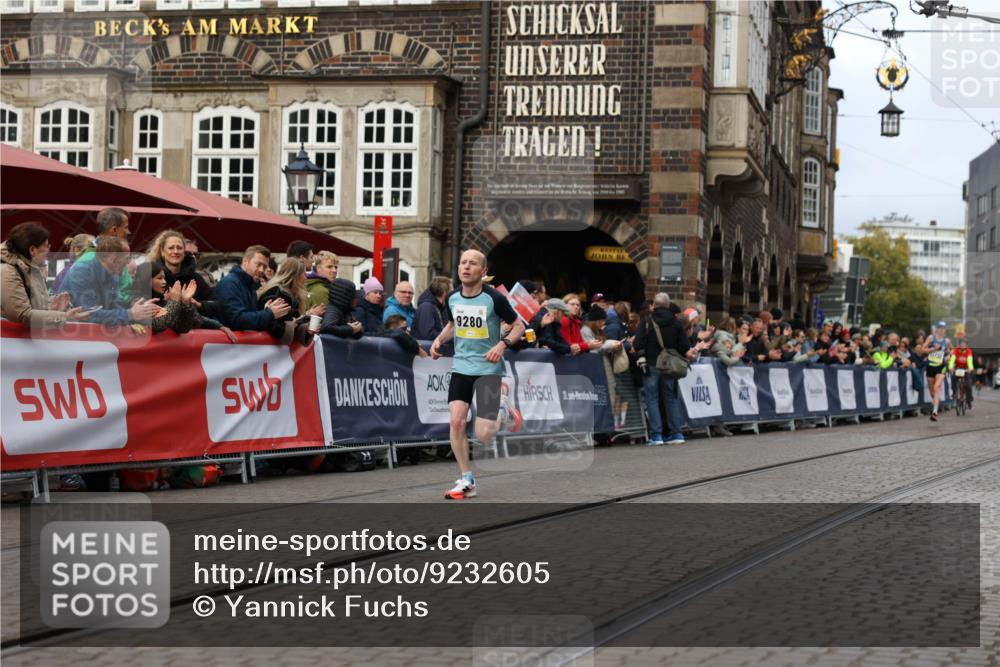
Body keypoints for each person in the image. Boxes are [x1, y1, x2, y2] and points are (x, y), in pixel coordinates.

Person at [430, 249, 523, 500]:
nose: (466, 267)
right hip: (461, 367)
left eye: (472, 264)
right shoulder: (452, 298)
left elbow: (519, 326)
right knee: (457, 422)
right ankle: (467, 479)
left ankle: (502, 407)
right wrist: (438, 341)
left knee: (483, 435)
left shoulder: (494, 299)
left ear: (483, 272)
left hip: (488, 370)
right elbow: (452, 326)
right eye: (463, 263)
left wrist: (502, 345)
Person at [1, 222, 89, 327]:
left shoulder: (32, 268)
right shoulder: (7, 271)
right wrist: (64, 316)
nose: (49, 250)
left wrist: (53, 306)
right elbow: (22, 314)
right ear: (32, 250)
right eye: (47, 246)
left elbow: (35, 307)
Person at [633, 292, 691, 446]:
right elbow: (685, 346)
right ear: (667, 305)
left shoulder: (646, 321)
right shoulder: (677, 322)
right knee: (670, 398)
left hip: (651, 364)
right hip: (669, 365)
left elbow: (637, 343)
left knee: (652, 399)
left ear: (654, 305)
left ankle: (657, 435)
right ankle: (676, 433)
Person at [62, 237, 160, 326]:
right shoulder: (82, 271)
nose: (128, 263)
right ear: (114, 259)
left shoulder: (113, 274)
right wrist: (130, 314)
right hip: (68, 337)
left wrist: (140, 309)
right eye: (127, 258)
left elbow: (115, 307)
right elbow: (88, 315)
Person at [215, 245, 291, 331]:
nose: (262, 270)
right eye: (258, 264)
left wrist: (265, 311)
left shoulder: (250, 285)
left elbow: (247, 316)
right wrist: (269, 313)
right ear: (245, 262)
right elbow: (237, 319)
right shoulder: (229, 283)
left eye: (265, 266)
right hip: (228, 343)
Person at [146, 230, 218, 316]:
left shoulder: (195, 278)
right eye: (171, 248)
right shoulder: (151, 277)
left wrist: (199, 305)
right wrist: (168, 302)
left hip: (195, 327)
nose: (176, 251)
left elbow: (218, 305)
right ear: (162, 252)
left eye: (179, 248)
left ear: (184, 253)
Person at [72, 207, 134, 306]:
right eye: (126, 227)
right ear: (114, 230)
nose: (129, 232)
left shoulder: (116, 253)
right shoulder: (89, 260)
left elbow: (126, 288)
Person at [257, 257, 324, 344]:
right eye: (303, 274)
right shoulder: (277, 293)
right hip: (268, 350)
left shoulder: (292, 295)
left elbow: (292, 322)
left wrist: (306, 330)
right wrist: (291, 326)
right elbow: (271, 325)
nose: (306, 278)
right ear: (295, 276)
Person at [919, 321, 951, 421]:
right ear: (936, 329)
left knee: (937, 387)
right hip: (930, 366)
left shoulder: (947, 341)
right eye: (940, 328)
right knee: (932, 391)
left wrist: (948, 357)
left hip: (941, 366)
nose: (942, 330)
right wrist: (933, 349)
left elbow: (950, 352)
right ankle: (937, 403)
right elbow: (922, 350)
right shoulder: (931, 338)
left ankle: (935, 411)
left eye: (943, 328)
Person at [413, 275, 452, 341]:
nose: (453, 294)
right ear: (444, 293)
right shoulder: (426, 308)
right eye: (451, 291)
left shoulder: (441, 307)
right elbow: (428, 335)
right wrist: (450, 338)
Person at [949, 336, 975, 409]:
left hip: (967, 369)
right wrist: (950, 367)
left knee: (968, 385)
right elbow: (952, 360)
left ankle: (969, 400)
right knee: (953, 378)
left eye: (964, 344)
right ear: (959, 344)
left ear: (966, 345)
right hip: (958, 368)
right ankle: (954, 393)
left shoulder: (968, 351)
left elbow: (970, 361)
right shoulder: (956, 350)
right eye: (961, 344)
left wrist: (970, 368)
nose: (963, 345)